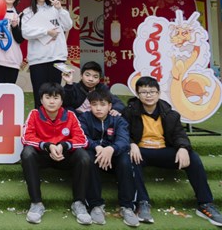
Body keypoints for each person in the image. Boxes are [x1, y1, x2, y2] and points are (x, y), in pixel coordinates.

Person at [123, 76, 222, 226]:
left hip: (164, 151)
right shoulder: (129, 113)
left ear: (158, 93)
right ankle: (142, 203)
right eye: (143, 92)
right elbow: (123, 132)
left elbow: (180, 135)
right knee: (129, 157)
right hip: (142, 152)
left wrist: (183, 148)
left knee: (193, 157)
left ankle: (205, 204)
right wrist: (131, 144)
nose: (148, 95)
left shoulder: (170, 114)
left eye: (152, 91)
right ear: (137, 94)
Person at [20, 82, 91, 225]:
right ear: (41, 100)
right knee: (27, 153)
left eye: (56, 97)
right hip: (43, 156)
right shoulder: (34, 114)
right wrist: (47, 146)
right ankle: (36, 203)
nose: (51, 101)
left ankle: (79, 203)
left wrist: (64, 145)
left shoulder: (70, 115)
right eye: (47, 97)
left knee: (83, 156)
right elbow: (26, 137)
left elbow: (82, 139)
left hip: (65, 156)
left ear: (62, 100)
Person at [79, 90, 140, 227]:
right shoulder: (84, 118)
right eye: (94, 104)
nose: (98, 108)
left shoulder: (118, 119)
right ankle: (95, 205)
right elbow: (82, 137)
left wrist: (111, 149)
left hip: (113, 155)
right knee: (88, 158)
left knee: (125, 160)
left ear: (110, 106)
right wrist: (97, 147)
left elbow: (124, 140)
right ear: (90, 106)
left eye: (102, 104)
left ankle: (127, 206)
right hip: (95, 154)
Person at [21, 0, 73, 109]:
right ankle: (39, 120)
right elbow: (25, 33)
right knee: (40, 94)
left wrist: (60, 9)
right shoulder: (28, 12)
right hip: (38, 60)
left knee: (55, 94)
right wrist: (46, 32)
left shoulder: (55, 9)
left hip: (57, 57)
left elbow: (68, 25)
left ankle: (55, 120)